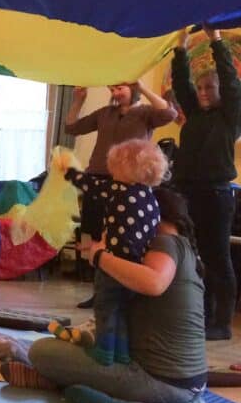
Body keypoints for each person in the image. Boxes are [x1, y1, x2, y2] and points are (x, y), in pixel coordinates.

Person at [28, 187, 208, 403]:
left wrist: (100, 256)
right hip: (188, 384)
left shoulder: (165, 242)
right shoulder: (184, 250)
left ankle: (85, 393)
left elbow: (154, 283)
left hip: (159, 383)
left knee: (40, 351)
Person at [64, 78, 176, 307]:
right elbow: (71, 128)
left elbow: (169, 114)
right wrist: (78, 101)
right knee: (94, 233)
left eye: (120, 88)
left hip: (129, 184)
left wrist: (142, 87)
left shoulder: (146, 113)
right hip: (98, 178)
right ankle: (98, 289)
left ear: (132, 88)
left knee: (121, 238)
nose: (115, 93)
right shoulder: (105, 113)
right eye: (112, 89)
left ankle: (121, 288)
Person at [58, 139, 167, 365]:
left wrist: (69, 172)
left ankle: (104, 350)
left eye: (114, 168)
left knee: (106, 307)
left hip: (113, 265)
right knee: (123, 311)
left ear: (127, 169)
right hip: (135, 267)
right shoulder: (151, 199)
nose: (111, 173)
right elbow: (131, 231)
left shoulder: (117, 190)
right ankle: (122, 353)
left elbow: (89, 185)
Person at [171, 25, 241, 340]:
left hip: (216, 196)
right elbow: (181, 83)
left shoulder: (230, 116)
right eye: (200, 88)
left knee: (217, 260)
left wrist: (216, 40)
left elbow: (231, 79)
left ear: (220, 90)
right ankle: (200, 316)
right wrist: (181, 46)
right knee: (193, 257)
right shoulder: (195, 114)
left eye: (209, 88)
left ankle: (221, 323)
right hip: (188, 193)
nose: (202, 92)